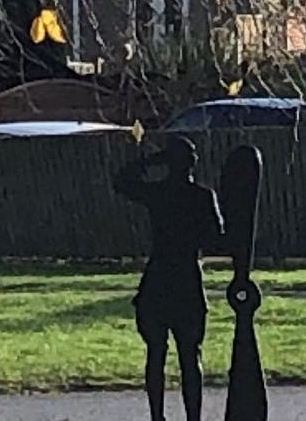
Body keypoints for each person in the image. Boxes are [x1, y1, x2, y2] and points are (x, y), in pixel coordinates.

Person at [111, 133, 223, 421]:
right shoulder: (201, 196)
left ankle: (157, 417)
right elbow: (216, 237)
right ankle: (193, 418)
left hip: (159, 276)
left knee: (156, 354)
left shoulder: (158, 193)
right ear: (191, 163)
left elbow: (122, 181)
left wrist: (152, 160)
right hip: (186, 277)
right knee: (190, 355)